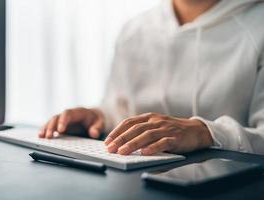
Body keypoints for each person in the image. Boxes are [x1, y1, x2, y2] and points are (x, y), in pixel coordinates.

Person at [39, 0, 264, 156]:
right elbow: (121, 108)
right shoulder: (135, 30)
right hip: (138, 181)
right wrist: (99, 118)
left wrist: (204, 133)